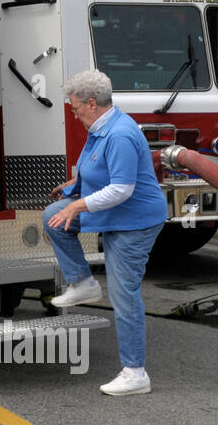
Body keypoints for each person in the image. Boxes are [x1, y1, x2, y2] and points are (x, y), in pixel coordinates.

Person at [43, 69, 167, 396]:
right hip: (116, 213)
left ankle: (135, 372)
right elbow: (103, 172)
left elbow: (122, 188)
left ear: (92, 104)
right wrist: (75, 187)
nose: (73, 113)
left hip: (136, 221)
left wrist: (78, 205)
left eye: (75, 107)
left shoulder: (120, 134)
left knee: (124, 294)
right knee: (54, 215)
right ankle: (82, 282)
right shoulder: (101, 128)